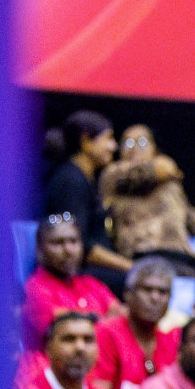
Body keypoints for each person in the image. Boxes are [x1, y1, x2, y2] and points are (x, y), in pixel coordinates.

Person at [98, 124, 195, 270]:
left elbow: (188, 215)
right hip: (142, 252)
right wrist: (159, 167)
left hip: (180, 254)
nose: (134, 148)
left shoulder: (169, 180)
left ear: (153, 147)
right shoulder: (113, 174)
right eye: (128, 143)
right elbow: (141, 174)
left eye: (142, 142)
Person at [43, 109, 126, 291]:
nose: (114, 147)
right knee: (139, 282)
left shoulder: (86, 179)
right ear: (86, 140)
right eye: (109, 138)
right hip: (82, 272)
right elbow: (81, 247)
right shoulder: (70, 181)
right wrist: (129, 266)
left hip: (95, 269)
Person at [20, 213, 117, 352]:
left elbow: (124, 319)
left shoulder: (91, 283)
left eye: (74, 241)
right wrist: (101, 320)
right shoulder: (34, 289)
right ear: (39, 250)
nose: (69, 250)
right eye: (58, 243)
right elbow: (69, 328)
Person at [90, 257, 179, 389]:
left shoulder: (170, 341)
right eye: (147, 289)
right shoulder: (105, 333)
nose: (155, 298)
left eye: (163, 292)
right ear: (128, 294)